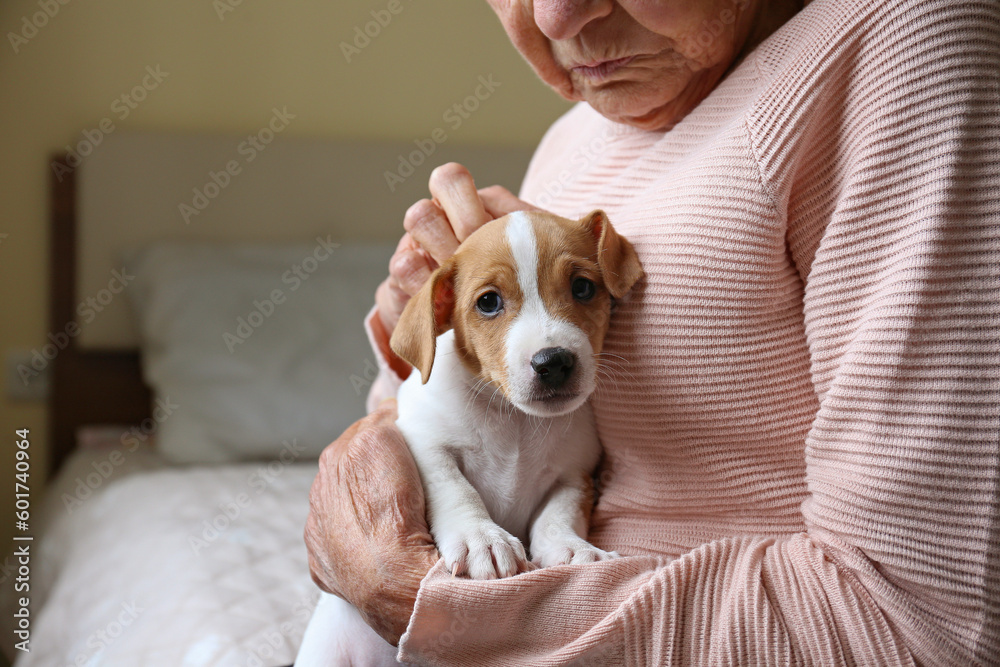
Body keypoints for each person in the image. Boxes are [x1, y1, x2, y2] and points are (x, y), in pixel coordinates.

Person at [304, 0, 1000, 663]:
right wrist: (416, 337)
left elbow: (926, 630)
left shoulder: (897, 45)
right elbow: (451, 446)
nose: (554, 15)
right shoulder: (571, 135)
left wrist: (451, 612)